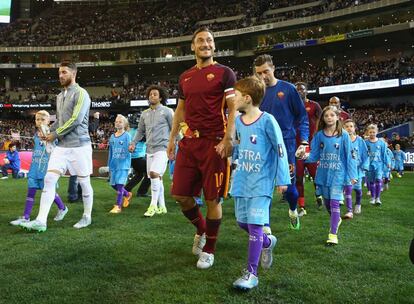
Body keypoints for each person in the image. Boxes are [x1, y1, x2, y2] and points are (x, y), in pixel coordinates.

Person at [166, 27, 236, 269]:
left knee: (212, 199)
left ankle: (209, 249)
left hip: (214, 143)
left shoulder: (224, 73)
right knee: (180, 194)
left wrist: (228, 139)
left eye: (209, 40)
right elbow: (180, 111)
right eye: (200, 41)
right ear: (193, 47)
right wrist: (172, 138)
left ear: (214, 46)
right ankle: (202, 230)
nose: (205, 44)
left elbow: (233, 108)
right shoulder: (185, 77)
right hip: (189, 143)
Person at [231, 76, 289, 290]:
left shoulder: (268, 120)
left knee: (255, 227)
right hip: (242, 180)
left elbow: (280, 149)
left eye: (236, 96)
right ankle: (267, 242)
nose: (233, 99)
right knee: (242, 223)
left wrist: (283, 178)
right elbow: (237, 145)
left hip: (262, 182)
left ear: (247, 98)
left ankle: (251, 274)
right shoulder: (237, 121)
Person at [21, 61, 94, 232]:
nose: (60, 76)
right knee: (49, 179)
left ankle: (86, 216)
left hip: (80, 146)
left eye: (64, 72)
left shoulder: (82, 93)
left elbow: (75, 120)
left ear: (73, 73)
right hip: (61, 147)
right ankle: (40, 220)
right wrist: (47, 132)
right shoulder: (59, 96)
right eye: (59, 73)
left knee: (84, 182)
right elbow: (60, 122)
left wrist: (54, 134)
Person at [254, 54, 309, 232]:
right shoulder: (257, 92)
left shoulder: (288, 89)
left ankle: (293, 209)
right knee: (264, 187)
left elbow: (302, 117)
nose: (262, 77)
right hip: (262, 146)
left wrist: (304, 141)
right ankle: (266, 226)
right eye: (259, 73)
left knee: (290, 187)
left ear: (273, 69)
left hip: (286, 144)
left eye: (266, 72)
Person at [304, 106, 357, 245]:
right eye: (326, 115)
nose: (329, 118)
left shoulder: (343, 135)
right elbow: (314, 154)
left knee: (334, 202)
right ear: (323, 118)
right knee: (328, 203)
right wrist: (304, 157)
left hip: (338, 174)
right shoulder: (319, 135)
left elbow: (350, 156)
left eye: (332, 115)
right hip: (323, 173)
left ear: (337, 117)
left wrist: (352, 175)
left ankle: (333, 235)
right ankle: (337, 218)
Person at [10, 111, 69, 226]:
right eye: (37, 119)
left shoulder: (53, 133)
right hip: (35, 167)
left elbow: (54, 150)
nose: (40, 121)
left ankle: (62, 208)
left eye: (42, 119)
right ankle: (26, 217)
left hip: (47, 168)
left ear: (48, 121)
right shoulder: (36, 134)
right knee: (30, 191)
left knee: (49, 191)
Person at [129, 85, 173, 217]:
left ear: (160, 97)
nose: (152, 96)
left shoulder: (167, 111)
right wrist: (133, 143)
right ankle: (162, 206)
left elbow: (174, 129)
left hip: (162, 148)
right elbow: (140, 131)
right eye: (150, 94)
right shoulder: (144, 114)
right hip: (149, 150)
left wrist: (180, 144)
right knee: (156, 178)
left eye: (155, 94)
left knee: (153, 174)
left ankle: (153, 205)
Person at [295, 82, 323, 215]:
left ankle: (319, 195)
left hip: (311, 146)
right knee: (298, 177)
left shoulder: (314, 105)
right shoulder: (291, 106)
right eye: (297, 89)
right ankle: (301, 206)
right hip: (296, 147)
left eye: (302, 89)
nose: (299, 91)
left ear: (307, 91)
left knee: (315, 175)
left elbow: (321, 122)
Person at [343, 119, 369, 217]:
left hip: (357, 170)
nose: (349, 128)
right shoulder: (342, 139)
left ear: (354, 128)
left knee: (358, 190)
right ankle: (349, 211)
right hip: (346, 170)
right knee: (348, 189)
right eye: (347, 126)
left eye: (351, 126)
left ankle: (358, 203)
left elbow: (365, 155)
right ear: (343, 129)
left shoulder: (360, 140)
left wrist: (364, 166)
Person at [123, 116, 150, 202]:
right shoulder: (138, 132)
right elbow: (148, 139)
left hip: (132, 158)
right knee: (150, 172)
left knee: (139, 174)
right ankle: (142, 192)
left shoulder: (130, 131)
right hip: (138, 157)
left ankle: (126, 189)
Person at [108, 115, 132, 213]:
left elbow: (131, 149)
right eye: (116, 121)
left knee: (119, 185)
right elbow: (111, 151)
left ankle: (118, 206)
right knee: (113, 185)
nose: (118, 123)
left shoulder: (127, 136)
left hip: (123, 164)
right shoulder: (112, 137)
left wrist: (131, 149)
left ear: (124, 124)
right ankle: (127, 195)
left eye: (120, 122)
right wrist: (109, 165)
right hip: (114, 164)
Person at [365, 124, 389, 206]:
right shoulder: (365, 143)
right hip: (369, 165)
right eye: (370, 132)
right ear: (368, 132)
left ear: (377, 132)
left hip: (379, 164)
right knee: (371, 181)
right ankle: (372, 197)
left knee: (378, 180)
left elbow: (384, 154)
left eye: (373, 132)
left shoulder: (381, 143)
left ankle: (378, 198)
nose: (372, 134)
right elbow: (362, 154)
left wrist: (387, 162)